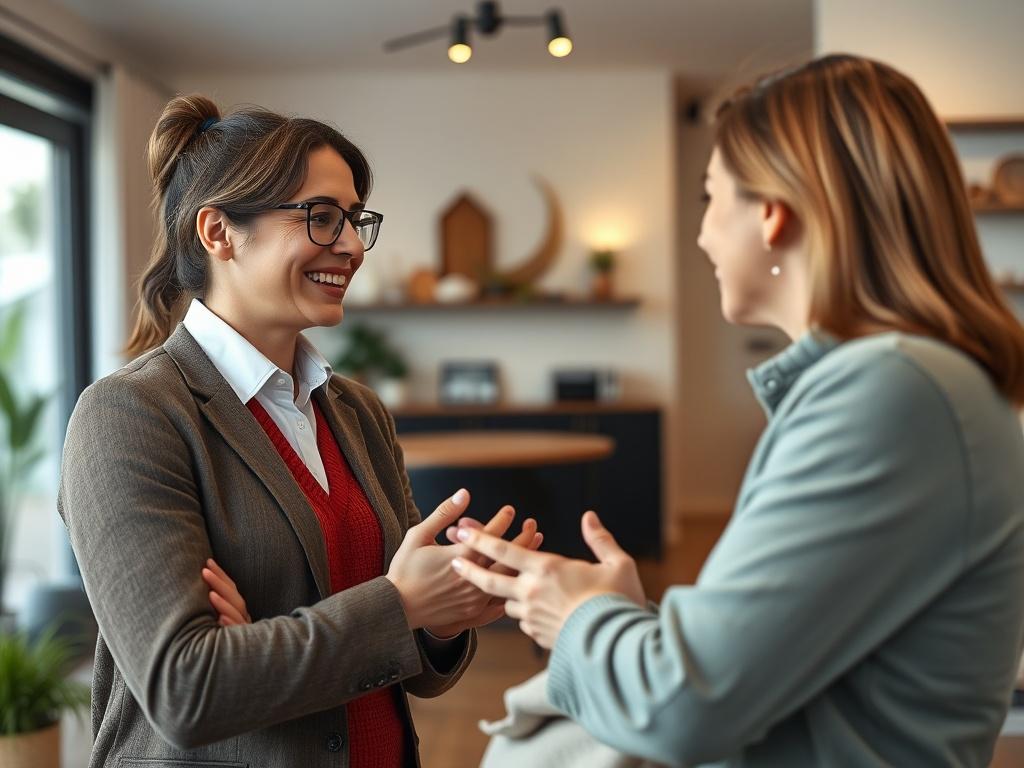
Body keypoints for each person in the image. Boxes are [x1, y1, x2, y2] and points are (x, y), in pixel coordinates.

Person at [450, 54, 1024, 766]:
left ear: (772, 215)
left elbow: (683, 708)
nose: (701, 235)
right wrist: (627, 622)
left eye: (710, 198)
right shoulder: (908, 386)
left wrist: (578, 616)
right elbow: (780, 663)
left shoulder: (894, 393)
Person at [58, 94, 540, 768]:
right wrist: (397, 605)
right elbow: (188, 688)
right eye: (319, 217)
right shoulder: (129, 417)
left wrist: (439, 614)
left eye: (352, 219)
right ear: (219, 233)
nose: (349, 245)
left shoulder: (357, 411)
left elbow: (409, 667)